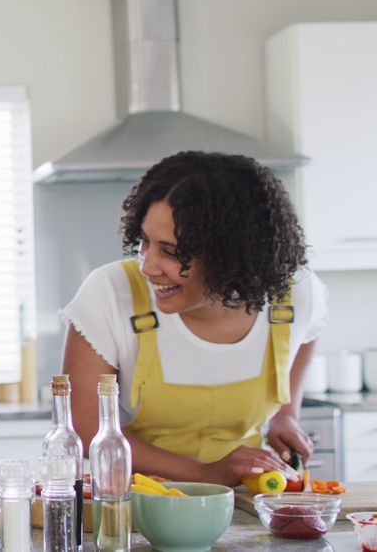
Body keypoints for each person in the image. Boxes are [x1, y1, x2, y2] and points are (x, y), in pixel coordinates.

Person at [62, 150, 327, 487]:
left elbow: (309, 333)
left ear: (230, 256)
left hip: (249, 498)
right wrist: (204, 472)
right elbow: (86, 428)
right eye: (145, 242)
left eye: (171, 252)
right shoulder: (111, 293)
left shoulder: (294, 295)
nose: (147, 266)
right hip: (137, 500)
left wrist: (286, 416)